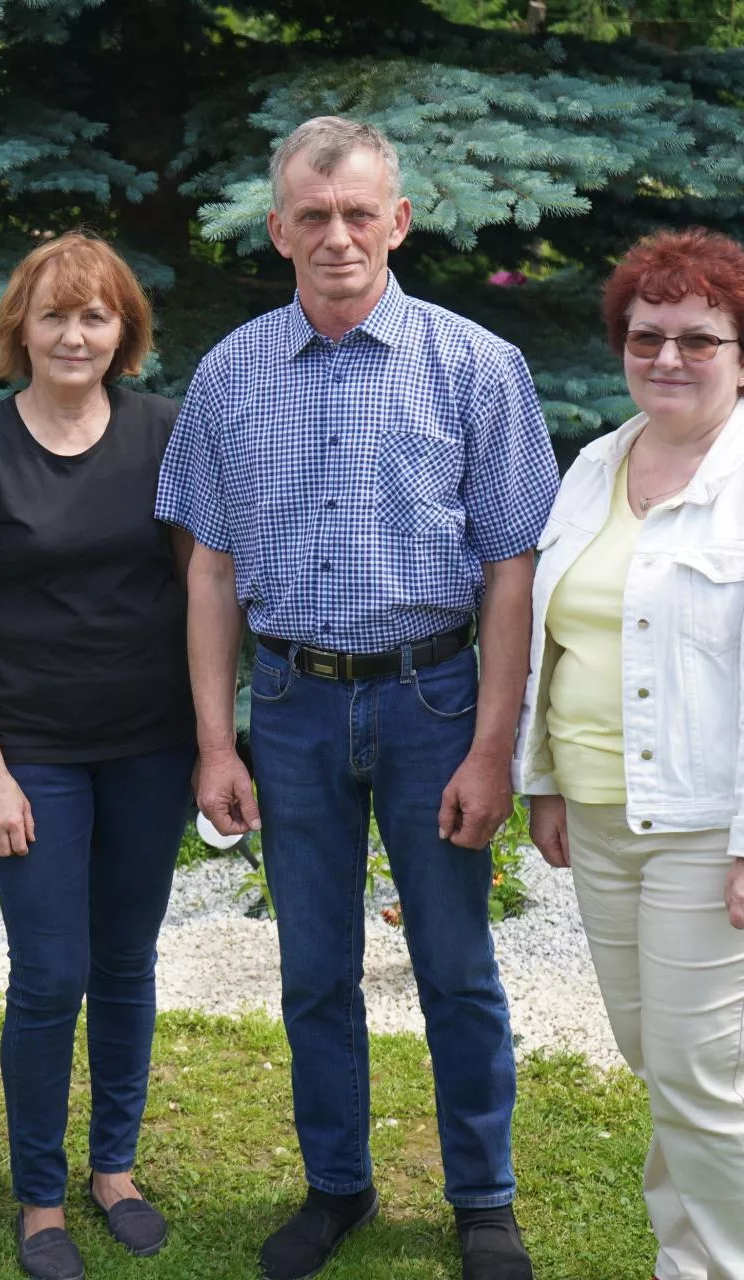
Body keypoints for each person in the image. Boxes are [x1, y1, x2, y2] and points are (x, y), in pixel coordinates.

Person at [156, 116, 557, 1280]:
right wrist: (212, 739)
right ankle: (336, 1182)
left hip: (433, 700)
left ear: (399, 221)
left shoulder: (478, 366)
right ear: (279, 228)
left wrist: (494, 746)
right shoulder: (231, 373)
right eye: (314, 217)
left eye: (360, 214)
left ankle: (483, 1196)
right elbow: (212, 570)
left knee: (455, 960)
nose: (338, 237)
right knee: (314, 963)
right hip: (288, 701)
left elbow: (510, 571)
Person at [516, 228, 744, 1280]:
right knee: (659, 1061)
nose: (666, 357)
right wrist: (547, 780)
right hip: (608, 815)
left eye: (697, 340)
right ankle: (689, 1264)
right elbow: (556, 630)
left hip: (715, 833)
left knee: (704, 1071)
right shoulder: (596, 463)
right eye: (645, 335)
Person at [0, 233, 196, 1279]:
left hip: (149, 743)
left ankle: (114, 1169)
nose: (74, 334)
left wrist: (215, 740)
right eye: (53, 315)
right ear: (19, 330)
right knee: (48, 972)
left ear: (123, 331)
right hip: (32, 747)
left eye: (96, 315)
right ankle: (41, 1194)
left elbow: (200, 591)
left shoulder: (166, 435)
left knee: (126, 962)